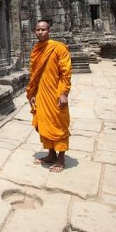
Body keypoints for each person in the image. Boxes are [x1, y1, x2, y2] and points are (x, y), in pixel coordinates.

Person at [26, 20, 72, 173]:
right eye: (38, 29)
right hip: (41, 92)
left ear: (49, 31)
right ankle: (51, 154)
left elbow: (66, 72)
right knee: (41, 124)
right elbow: (34, 74)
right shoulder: (36, 49)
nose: (40, 32)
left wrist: (64, 92)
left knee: (58, 124)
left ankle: (61, 157)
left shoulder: (58, 48)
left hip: (56, 92)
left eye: (43, 29)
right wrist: (32, 93)